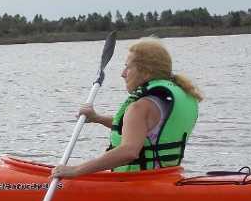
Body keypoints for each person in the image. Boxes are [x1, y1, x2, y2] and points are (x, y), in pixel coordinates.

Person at [51, 37, 203, 178]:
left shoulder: (140, 106)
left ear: (146, 72)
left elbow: (129, 152)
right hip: (167, 177)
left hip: (138, 182)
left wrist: (75, 170)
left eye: (128, 67)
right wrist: (97, 118)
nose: (123, 74)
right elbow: (139, 128)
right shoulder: (182, 94)